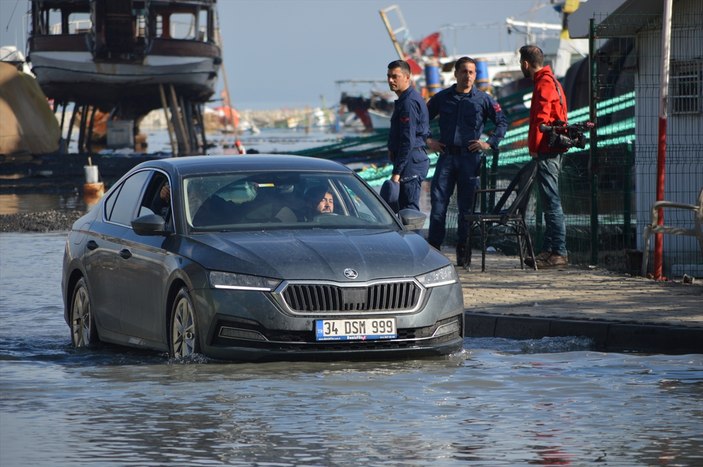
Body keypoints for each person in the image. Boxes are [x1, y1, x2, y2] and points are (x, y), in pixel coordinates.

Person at [425, 56, 508, 265]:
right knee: (438, 207)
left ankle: (464, 254)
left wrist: (489, 143)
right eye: (464, 71)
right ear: (456, 74)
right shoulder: (442, 98)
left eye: (472, 72)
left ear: (475, 75)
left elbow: (501, 122)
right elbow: (420, 119)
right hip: (446, 157)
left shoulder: (484, 99)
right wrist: (428, 141)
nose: (468, 76)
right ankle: (433, 254)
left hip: (470, 160)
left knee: (467, 210)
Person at [519, 44, 569, 268]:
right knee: (549, 201)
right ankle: (550, 250)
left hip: (547, 151)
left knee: (551, 201)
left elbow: (541, 120)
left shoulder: (544, 83)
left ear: (526, 63)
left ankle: (558, 251)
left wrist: (535, 147)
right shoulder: (552, 81)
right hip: (552, 149)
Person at [386, 60, 431, 211]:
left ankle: (414, 235)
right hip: (409, 160)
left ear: (407, 77)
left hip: (411, 162)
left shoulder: (408, 103)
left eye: (395, 76)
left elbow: (408, 140)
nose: (391, 80)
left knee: (409, 212)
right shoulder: (405, 100)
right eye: (389, 76)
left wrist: (396, 173)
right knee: (403, 210)